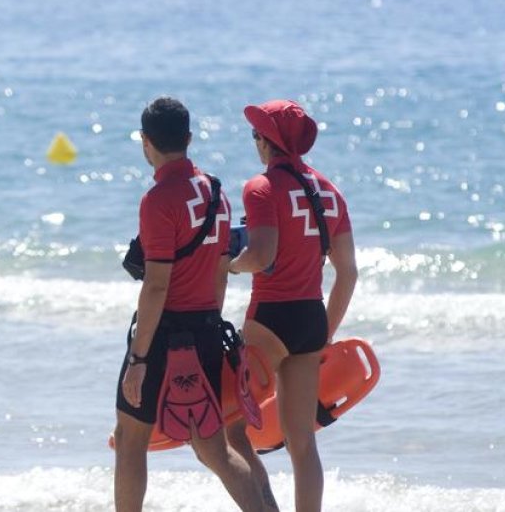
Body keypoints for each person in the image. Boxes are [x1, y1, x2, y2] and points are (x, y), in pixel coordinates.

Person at [114, 97, 266, 512]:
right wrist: (209, 325)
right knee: (212, 449)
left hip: (164, 336)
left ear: (146, 142)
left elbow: (157, 287)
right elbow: (219, 272)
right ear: (189, 139)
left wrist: (139, 358)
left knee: (130, 440)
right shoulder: (216, 192)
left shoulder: (159, 199)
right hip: (205, 330)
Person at [227, 99, 358, 512]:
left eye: (255, 136)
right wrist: (326, 334)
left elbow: (261, 256)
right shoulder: (331, 192)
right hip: (311, 318)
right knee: (302, 443)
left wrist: (229, 266)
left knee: (231, 431)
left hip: (270, 318)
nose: (255, 144)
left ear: (268, 143)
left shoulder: (260, 188)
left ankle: (264, 508)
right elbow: (348, 272)